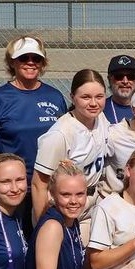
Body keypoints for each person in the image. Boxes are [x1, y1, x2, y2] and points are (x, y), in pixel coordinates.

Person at [0, 36, 66, 235]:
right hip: (13, 190)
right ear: (12, 62)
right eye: (23, 58)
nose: (30, 62)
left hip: (48, 188)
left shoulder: (54, 97)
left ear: (43, 63)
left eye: (36, 58)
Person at [32, 69, 110, 233]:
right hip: (64, 208)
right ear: (72, 97)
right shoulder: (60, 134)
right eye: (85, 97)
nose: (94, 103)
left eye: (99, 96)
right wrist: (42, 228)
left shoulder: (100, 119)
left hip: (91, 202)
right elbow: (39, 184)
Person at [104, 54, 135, 124]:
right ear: (109, 79)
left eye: (131, 76)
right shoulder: (100, 109)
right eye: (119, 76)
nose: (125, 81)